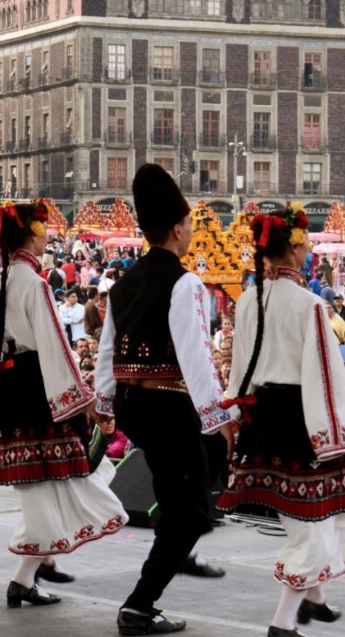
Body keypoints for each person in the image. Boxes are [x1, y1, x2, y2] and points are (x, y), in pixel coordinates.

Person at [217, 201, 345, 637]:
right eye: (305, 244)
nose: (308, 250)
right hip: (302, 421)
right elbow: (325, 377)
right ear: (291, 250)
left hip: (261, 415)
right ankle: (283, 622)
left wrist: (233, 417)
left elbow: (238, 367)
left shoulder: (248, 299)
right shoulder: (309, 304)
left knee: (332, 510)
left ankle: (316, 598)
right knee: (316, 523)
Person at [95, 165, 234, 636]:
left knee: (182, 497)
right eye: (190, 225)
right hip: (170, 404)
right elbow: (196, 358)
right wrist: (218, 418)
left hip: (135, 405)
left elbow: (107, 350)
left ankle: (174, 548)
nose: (192, 232)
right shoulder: (186, 282)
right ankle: (140, 603)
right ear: (177, 230)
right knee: (191, 509)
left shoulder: (124, 283)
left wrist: (106, 404)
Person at [0, 202, 128, 608]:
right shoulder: (35, 283)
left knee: (42, 488)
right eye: (43, 229)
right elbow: (55, 348)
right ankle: (26, 576)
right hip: (37, 389)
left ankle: (26, 577)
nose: (48, 235)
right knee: (63, 479)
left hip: (8, 389)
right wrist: (84, 401)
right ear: (31, 234)